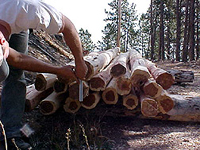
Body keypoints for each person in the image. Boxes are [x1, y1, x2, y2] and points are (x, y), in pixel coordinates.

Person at [0, 0, 88, 149]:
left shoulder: (30, 10)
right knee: (7, 69)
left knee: (14, 74)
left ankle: (11, 135)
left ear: (3, 43)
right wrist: (58, 70)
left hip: (16, 13)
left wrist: (80, 62)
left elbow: (68, 26)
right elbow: (16, 58)